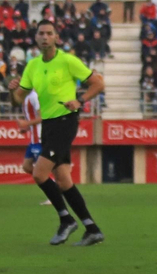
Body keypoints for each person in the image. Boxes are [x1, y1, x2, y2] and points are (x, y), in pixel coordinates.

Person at [12, 20, 106, 246]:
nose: (45, 37)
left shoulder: (67, 60)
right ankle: (92, 229)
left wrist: (80, 100)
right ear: (36, 38)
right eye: (41, 33)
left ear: (56, 38)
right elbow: (19, 98)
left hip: (65, 121)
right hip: (49, 125)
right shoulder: (32, 65)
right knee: (64, 181)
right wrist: (13, 89)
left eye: (49, 33)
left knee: (38, 173)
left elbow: (98, 83)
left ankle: (66, 220)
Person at [15, 88, 51, 204]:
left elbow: (42, 117)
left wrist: (26, 123)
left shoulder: (35, 96)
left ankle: (53, 193)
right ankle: (54, 187)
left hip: (40, 138)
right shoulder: (27, 97)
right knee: (27, 166)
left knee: (42, 171)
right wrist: (27, 128)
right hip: (33, 138)